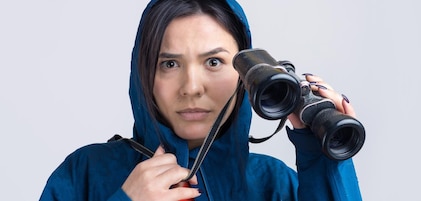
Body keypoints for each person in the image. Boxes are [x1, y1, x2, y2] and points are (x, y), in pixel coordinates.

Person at [40, 0, 362, 200]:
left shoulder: (273, 186)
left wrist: (324, 161)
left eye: (214, 62)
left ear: (246, 74)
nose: (191, 87)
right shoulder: (84, 174)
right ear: (143, 76)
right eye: (169, 64)